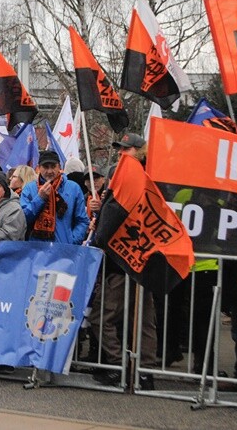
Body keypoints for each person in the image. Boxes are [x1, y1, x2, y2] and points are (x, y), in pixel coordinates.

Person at [88, 132, 159, 390]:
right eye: (119, 150)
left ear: (140, 151)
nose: (121, 153)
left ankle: (131, 369)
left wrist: (99, 236)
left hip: (131, 261)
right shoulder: (121, 178)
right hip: (124, 262)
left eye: (126, 149)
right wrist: (100, 210)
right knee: (128, 319)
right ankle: (136, 369)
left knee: (114, 318)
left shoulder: (145, 178)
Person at [20, 149, 88, 244]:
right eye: (45, 167)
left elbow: (82, 220)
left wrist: (72, 241)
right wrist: (39, 199)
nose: (49, 171)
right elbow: (23, 219)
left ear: (59, 167)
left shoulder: (73, 188)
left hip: (64, 249)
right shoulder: (29, 189)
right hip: (36, 252)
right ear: (39, 168)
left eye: (53, 166)